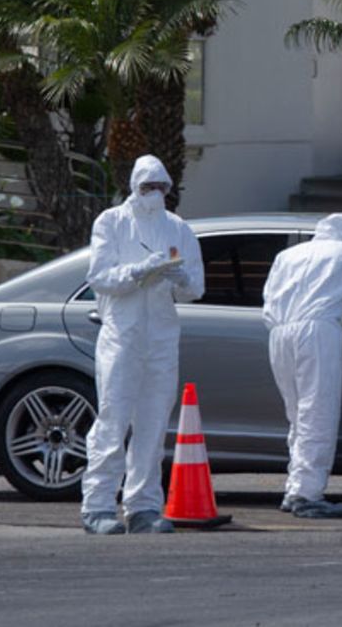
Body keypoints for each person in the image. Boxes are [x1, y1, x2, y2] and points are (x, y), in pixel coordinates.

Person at [80, 155, 204, 535]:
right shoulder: (112, 222)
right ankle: (98, 506)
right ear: (134, 186)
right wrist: (140, 271)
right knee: (113, 420)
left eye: (161, 187)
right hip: (123, 334)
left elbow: (197, 287)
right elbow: (99, 277)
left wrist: (179, 278)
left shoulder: (178, 228)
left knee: (152, 425)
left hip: (162, 338)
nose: (155, 194)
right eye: (148, 187)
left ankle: (144, 507)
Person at [262, 214, 342, 518]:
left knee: (297, 414)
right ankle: (307, 494)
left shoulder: (286, 255)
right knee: (317, 412)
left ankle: (295, 487)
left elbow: (268, 299)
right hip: (317, 331)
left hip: (278, 333)